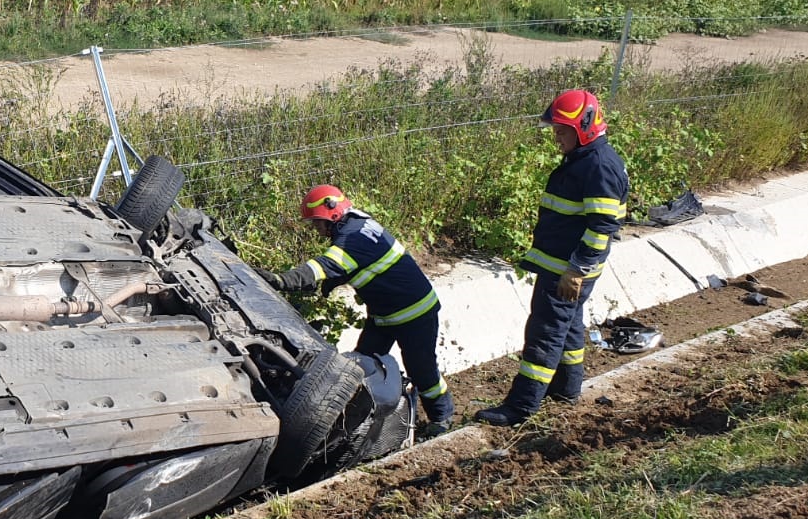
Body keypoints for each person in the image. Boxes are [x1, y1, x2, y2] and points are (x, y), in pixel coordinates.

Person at [475, 88, 629, 426]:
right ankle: (565, 390)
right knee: (569, 325)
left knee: (545, 332)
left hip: (568, 269)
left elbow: (602, 226)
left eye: (562, 132)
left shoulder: (598, 166)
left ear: (584, 127)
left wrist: (576, 270)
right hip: (564, 266)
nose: (556, 138)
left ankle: (521, 406)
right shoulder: (588, 159)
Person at [260, 185, 454, 436]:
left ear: (331, 215)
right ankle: (359, 422)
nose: (316, 230)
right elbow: (360, 263)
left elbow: (321, 266)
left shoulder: (352, 238)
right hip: (385, 314)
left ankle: (442, 417)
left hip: (414, 313)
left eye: (317, 223)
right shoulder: (359, 222)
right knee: (363, 362)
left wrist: (280, 280)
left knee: (422, 368)